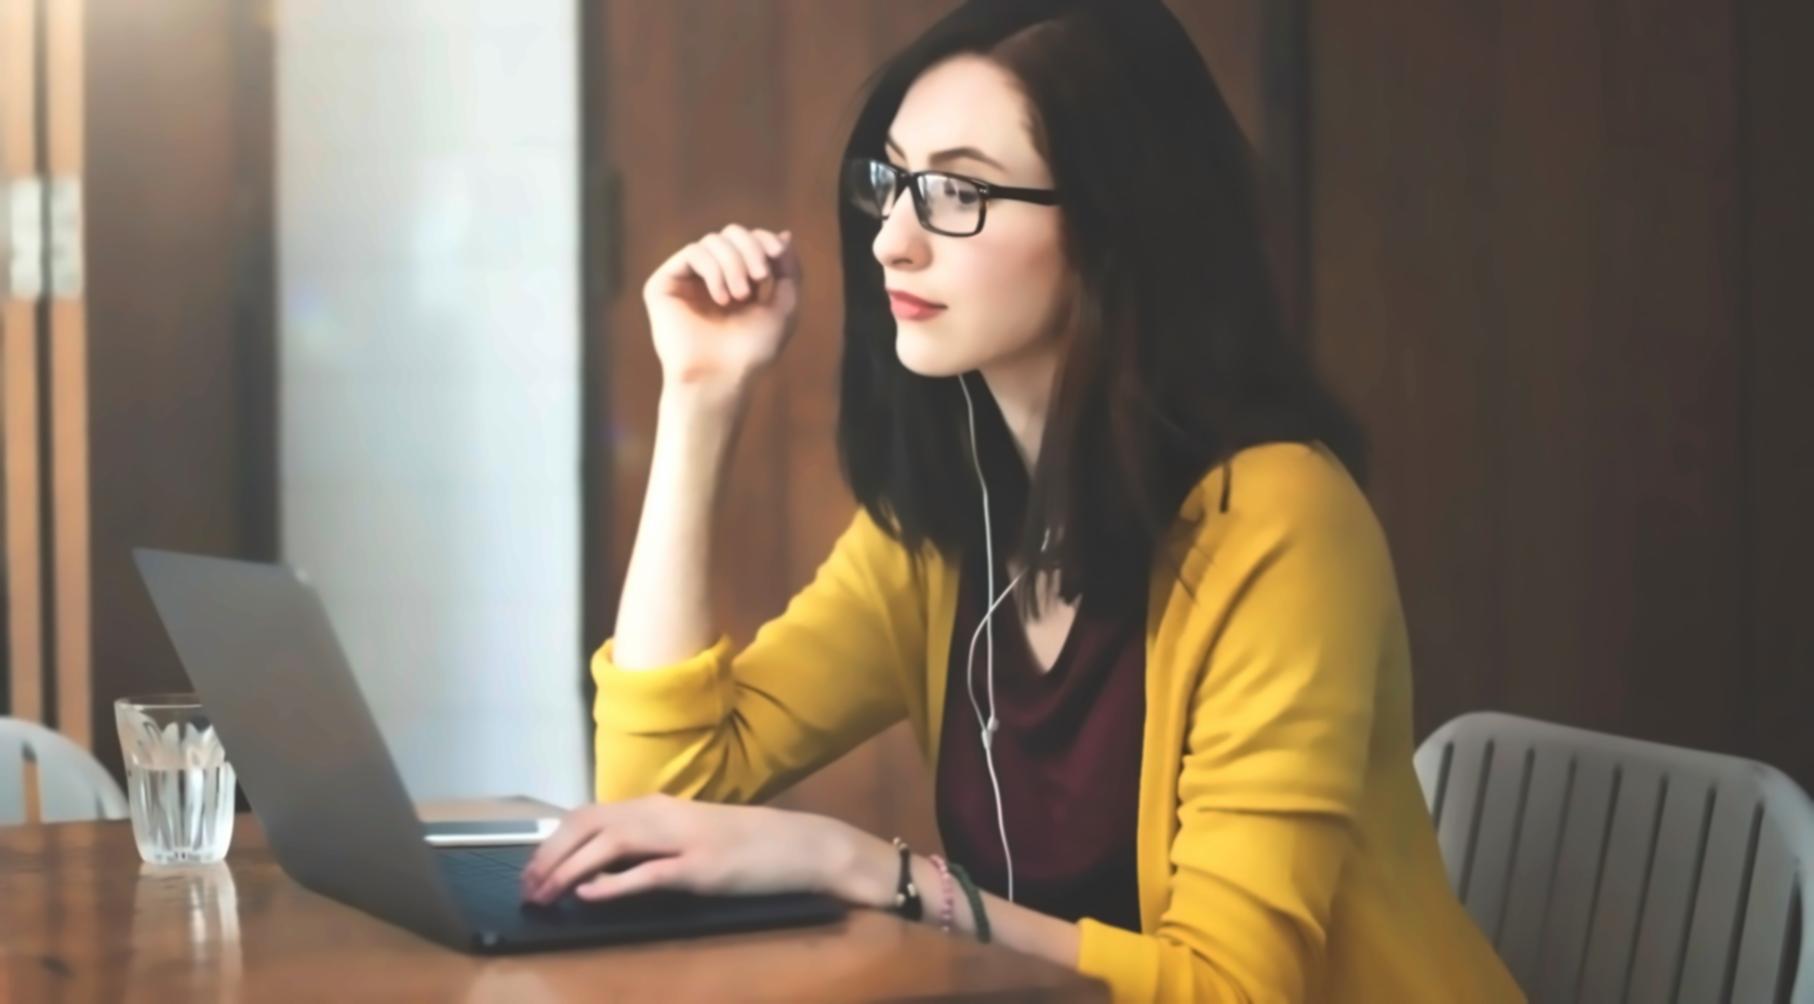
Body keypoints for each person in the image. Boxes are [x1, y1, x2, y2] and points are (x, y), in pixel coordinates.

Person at [522, 1, 1525, 999]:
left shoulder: (1276, 522)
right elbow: (654, 804)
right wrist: (698, 399)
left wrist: (865, 869)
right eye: (893, 180)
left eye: (958, 190)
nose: (891, 243)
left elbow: (1233, 988)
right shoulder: (948, 524)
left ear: (1113, 223)